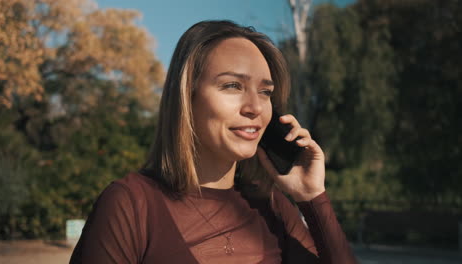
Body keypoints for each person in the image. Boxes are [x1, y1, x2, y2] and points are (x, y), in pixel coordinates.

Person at [70, 20, 357, 264]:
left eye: (265, 92)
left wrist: (312, 197)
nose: (255, 108)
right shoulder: (130, 204)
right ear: (187, 98)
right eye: (233, 86)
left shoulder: (272, 206)